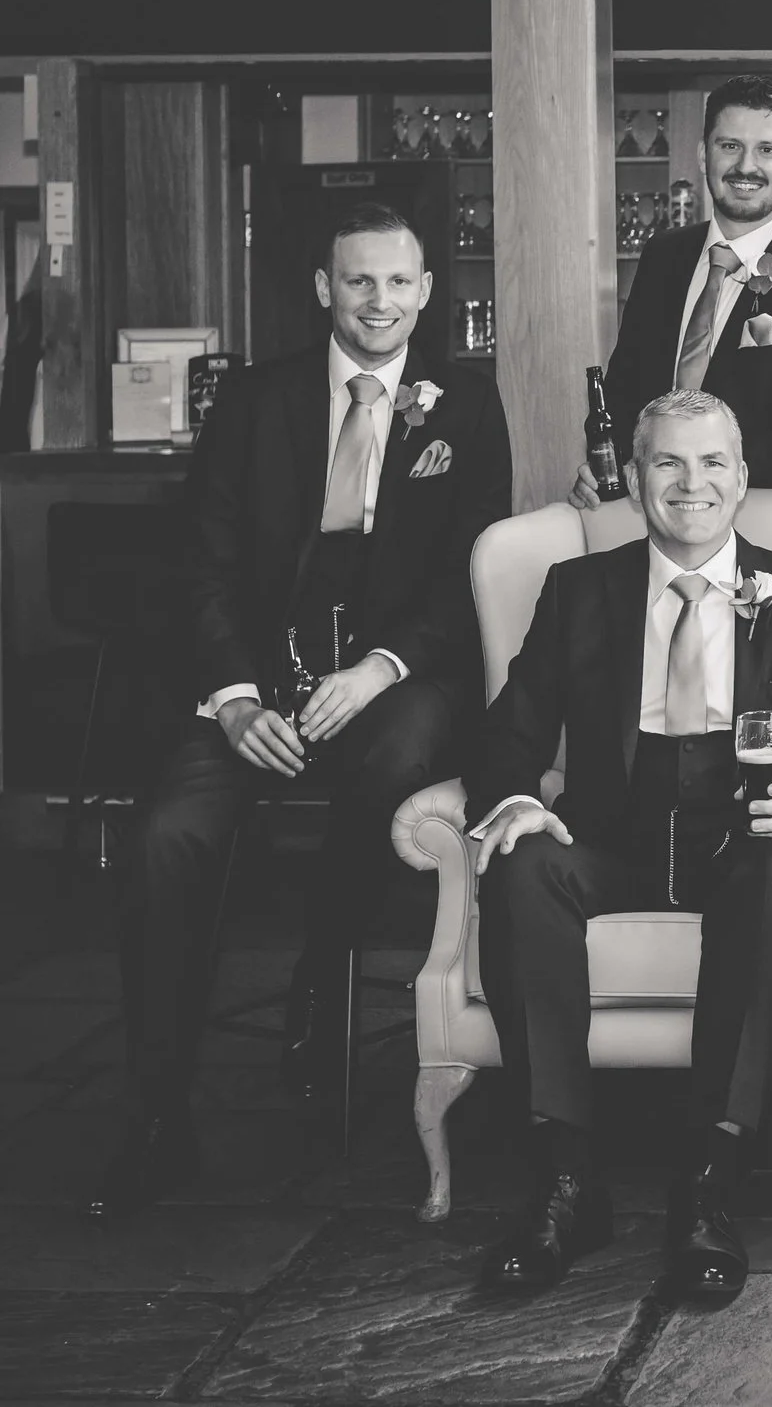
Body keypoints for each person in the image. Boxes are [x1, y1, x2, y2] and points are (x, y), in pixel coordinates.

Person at [90, 206, 512, 1215]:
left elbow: (474, 573)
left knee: (398, 757)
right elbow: (206, 561)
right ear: (325, 288)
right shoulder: (256, 399)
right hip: (256, 680)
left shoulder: (466, 402)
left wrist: (379, 668)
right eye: (357, 282)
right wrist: (235, 701)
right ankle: (157, 1118)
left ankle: (322, 971)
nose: (379, 302)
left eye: (398, 283)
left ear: (425, 290)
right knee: (169, 839)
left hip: (392, 676)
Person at [468, 390, 772, 1297]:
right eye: (667, 463)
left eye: (712, 463)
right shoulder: (579, 589)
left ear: (743, 480)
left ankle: (711, 1180)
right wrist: (515, 798)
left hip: (742, 837)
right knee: (520, 866)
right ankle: (564, 1180)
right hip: (608, 835)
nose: (691, 483)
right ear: (634, 481)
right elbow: (509, 732)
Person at [572, 74, 772, 504]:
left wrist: (677, 477)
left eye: (768, 150)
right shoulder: (663, 256)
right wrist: (606, 467)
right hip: (644, 517)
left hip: (762, 524)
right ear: (703, 155)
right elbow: (625, 389)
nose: (746, 167)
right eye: (730, 146)